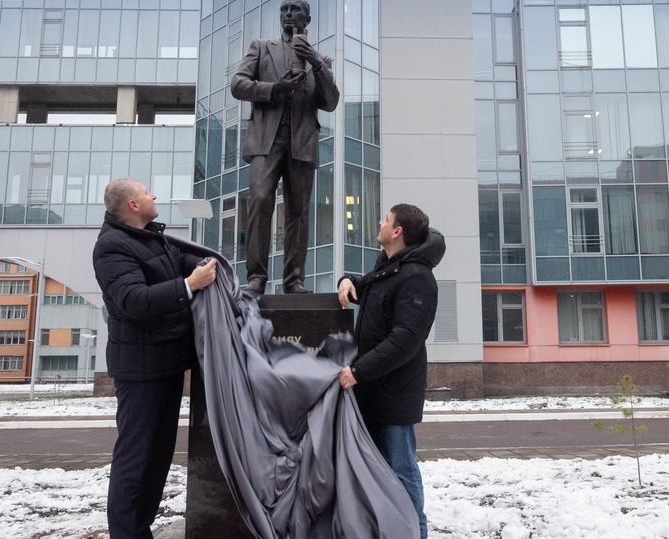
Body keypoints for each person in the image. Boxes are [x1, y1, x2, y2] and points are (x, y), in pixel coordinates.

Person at [92, 177, 218, 539]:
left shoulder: (151, 238)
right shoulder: (112, 247)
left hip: (166, 366)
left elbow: (182, 258)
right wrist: (189, 285)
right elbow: (134, 300)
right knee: (135, 460)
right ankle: (126, 533)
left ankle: (139, 529)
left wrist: (210, 263)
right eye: (147, 192)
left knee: (157, 459)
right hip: (140, 372)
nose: (154, 195)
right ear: (132, 204)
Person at [336, 204, 444, 539]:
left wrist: (357, 371)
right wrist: (345, 280)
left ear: (398, 232)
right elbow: (364, 285)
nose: (380, 222)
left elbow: (406, 340)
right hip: (372, 392)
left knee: (401, 471)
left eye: (386, 219)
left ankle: (415, 533)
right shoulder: (390, 268)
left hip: (394, 397)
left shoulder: (417, 277)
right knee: (378, 472)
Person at [231, 0, 339, 295]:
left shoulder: (321, 60)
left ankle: (294, 280)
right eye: (284, 8)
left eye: (294, 8)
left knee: (298, 213)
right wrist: (273, 89)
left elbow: (330, 102)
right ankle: (256, 278)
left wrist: (315, 62)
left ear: (308, 17)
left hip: (302, 143)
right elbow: (238, 84)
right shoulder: (262, 47)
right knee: (260, 201)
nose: (288, 13)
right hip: (266, 141)